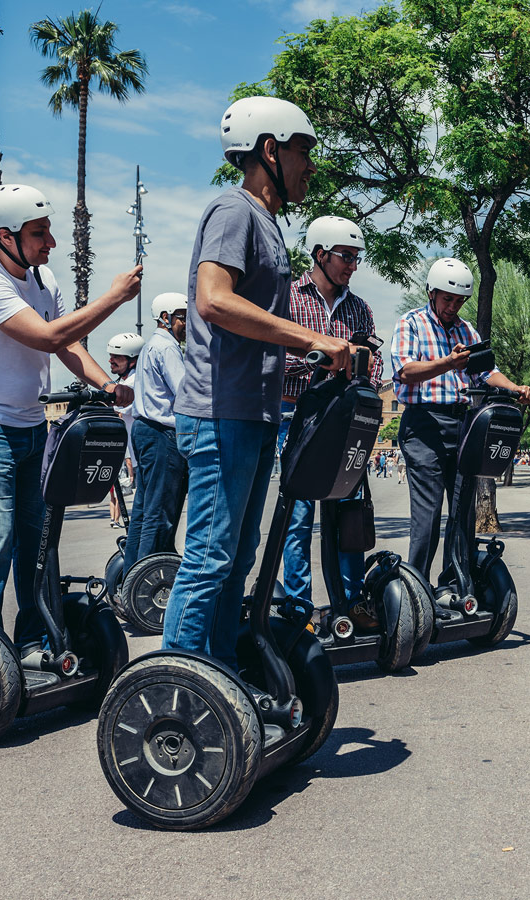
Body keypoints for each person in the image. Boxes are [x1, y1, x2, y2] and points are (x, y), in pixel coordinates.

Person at [160, 97, 351, 668]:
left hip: (253, 413)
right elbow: (213, 300)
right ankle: (171, 686)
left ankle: (214, 675)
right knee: (210, 557)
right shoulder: (233, 210)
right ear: (270, 150)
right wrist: (308, 337)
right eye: (303, 151)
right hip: (220, 412)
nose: (311, 165)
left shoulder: (266, 223)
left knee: (237, 559)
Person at [0, 183, 140, 653]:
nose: (50, 242)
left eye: (49, 230)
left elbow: (70, 345)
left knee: (37, 543)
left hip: (32, 425)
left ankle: (33, 640)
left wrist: (106, 386)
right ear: (5, 236)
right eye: (39, 233)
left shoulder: (42, 280)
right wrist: (114, 298)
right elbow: (50, 336)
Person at [391, 257, 530, 580]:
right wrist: (448, 364)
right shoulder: (410, 324)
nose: (452, 306)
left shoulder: (466, 330)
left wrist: (515, 389)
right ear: (432, 293)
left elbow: (487, 372)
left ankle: (455, 586)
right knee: (427, 517)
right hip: (423, 425)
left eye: (459, 301)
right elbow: (405, 371)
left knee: (462, 514)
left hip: (463, 425)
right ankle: (417, 590)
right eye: (447, 299)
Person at [277, 215, 381, 615]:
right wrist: (320, 359)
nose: (353, 266)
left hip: (345, 421)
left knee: (349, 513)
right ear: (320, 255)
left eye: (357, 259)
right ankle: (299, 608)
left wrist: (362, 369)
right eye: (346, 257)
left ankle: (352, 603)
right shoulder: (288, 299)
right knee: (298, 515)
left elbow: (375, 363)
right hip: (297, 417)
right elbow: (272, 361)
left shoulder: (360, 308)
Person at [123, 292, 189, 575]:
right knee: (161, 512)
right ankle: (151, 581)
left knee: (144, 512)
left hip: (147, 431)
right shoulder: (166, 348)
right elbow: (185, 392)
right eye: (182, 317)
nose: (186, 323)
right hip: (162, 434)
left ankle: (131, 578)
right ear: (166, 318)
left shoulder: (153, 346)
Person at [106, 332, 145, 529]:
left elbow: (119, 408)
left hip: (141, 456)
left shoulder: (133, 383)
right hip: (136, 456)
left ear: (132, 360)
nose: (110, 360)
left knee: (146, 514)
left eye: (116, 357)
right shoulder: (125, 381)